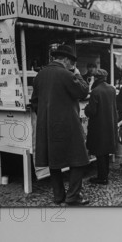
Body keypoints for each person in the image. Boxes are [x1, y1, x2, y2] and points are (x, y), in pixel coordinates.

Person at [30, 45, 90, 206]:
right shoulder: (66, 74)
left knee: (53, 161)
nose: (73, 66)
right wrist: (77, 74)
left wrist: (46, 117)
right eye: (72, 63)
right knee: (80, 159)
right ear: (66, 60)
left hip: (47, 126)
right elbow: (83, 92)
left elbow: (34, 101)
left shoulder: (39, 75)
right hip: (68, 124)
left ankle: (58, 196)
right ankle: (73, 196)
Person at [84, 69, 118, 185]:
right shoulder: (111, 89)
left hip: (98, 125)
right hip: (109, 124)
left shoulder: (96, 91)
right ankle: (105, 175)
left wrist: (86, 108)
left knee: (99, 152)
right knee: (105, 151)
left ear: (95, 78)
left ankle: (102, 178)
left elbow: (92, 111)